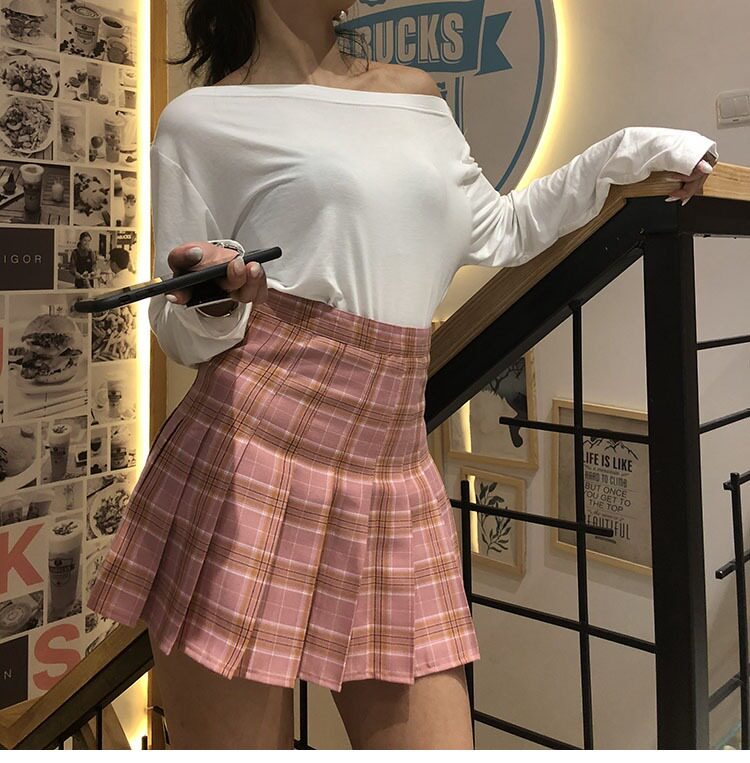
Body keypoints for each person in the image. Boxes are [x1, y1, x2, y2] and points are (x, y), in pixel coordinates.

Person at [85, 1, 718, 751]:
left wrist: (628, 153)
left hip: (391, 463)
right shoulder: (201, 121)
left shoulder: (416, 95)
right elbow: (179, 329)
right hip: (247, 454)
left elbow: (503, 229)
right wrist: (218, 296)